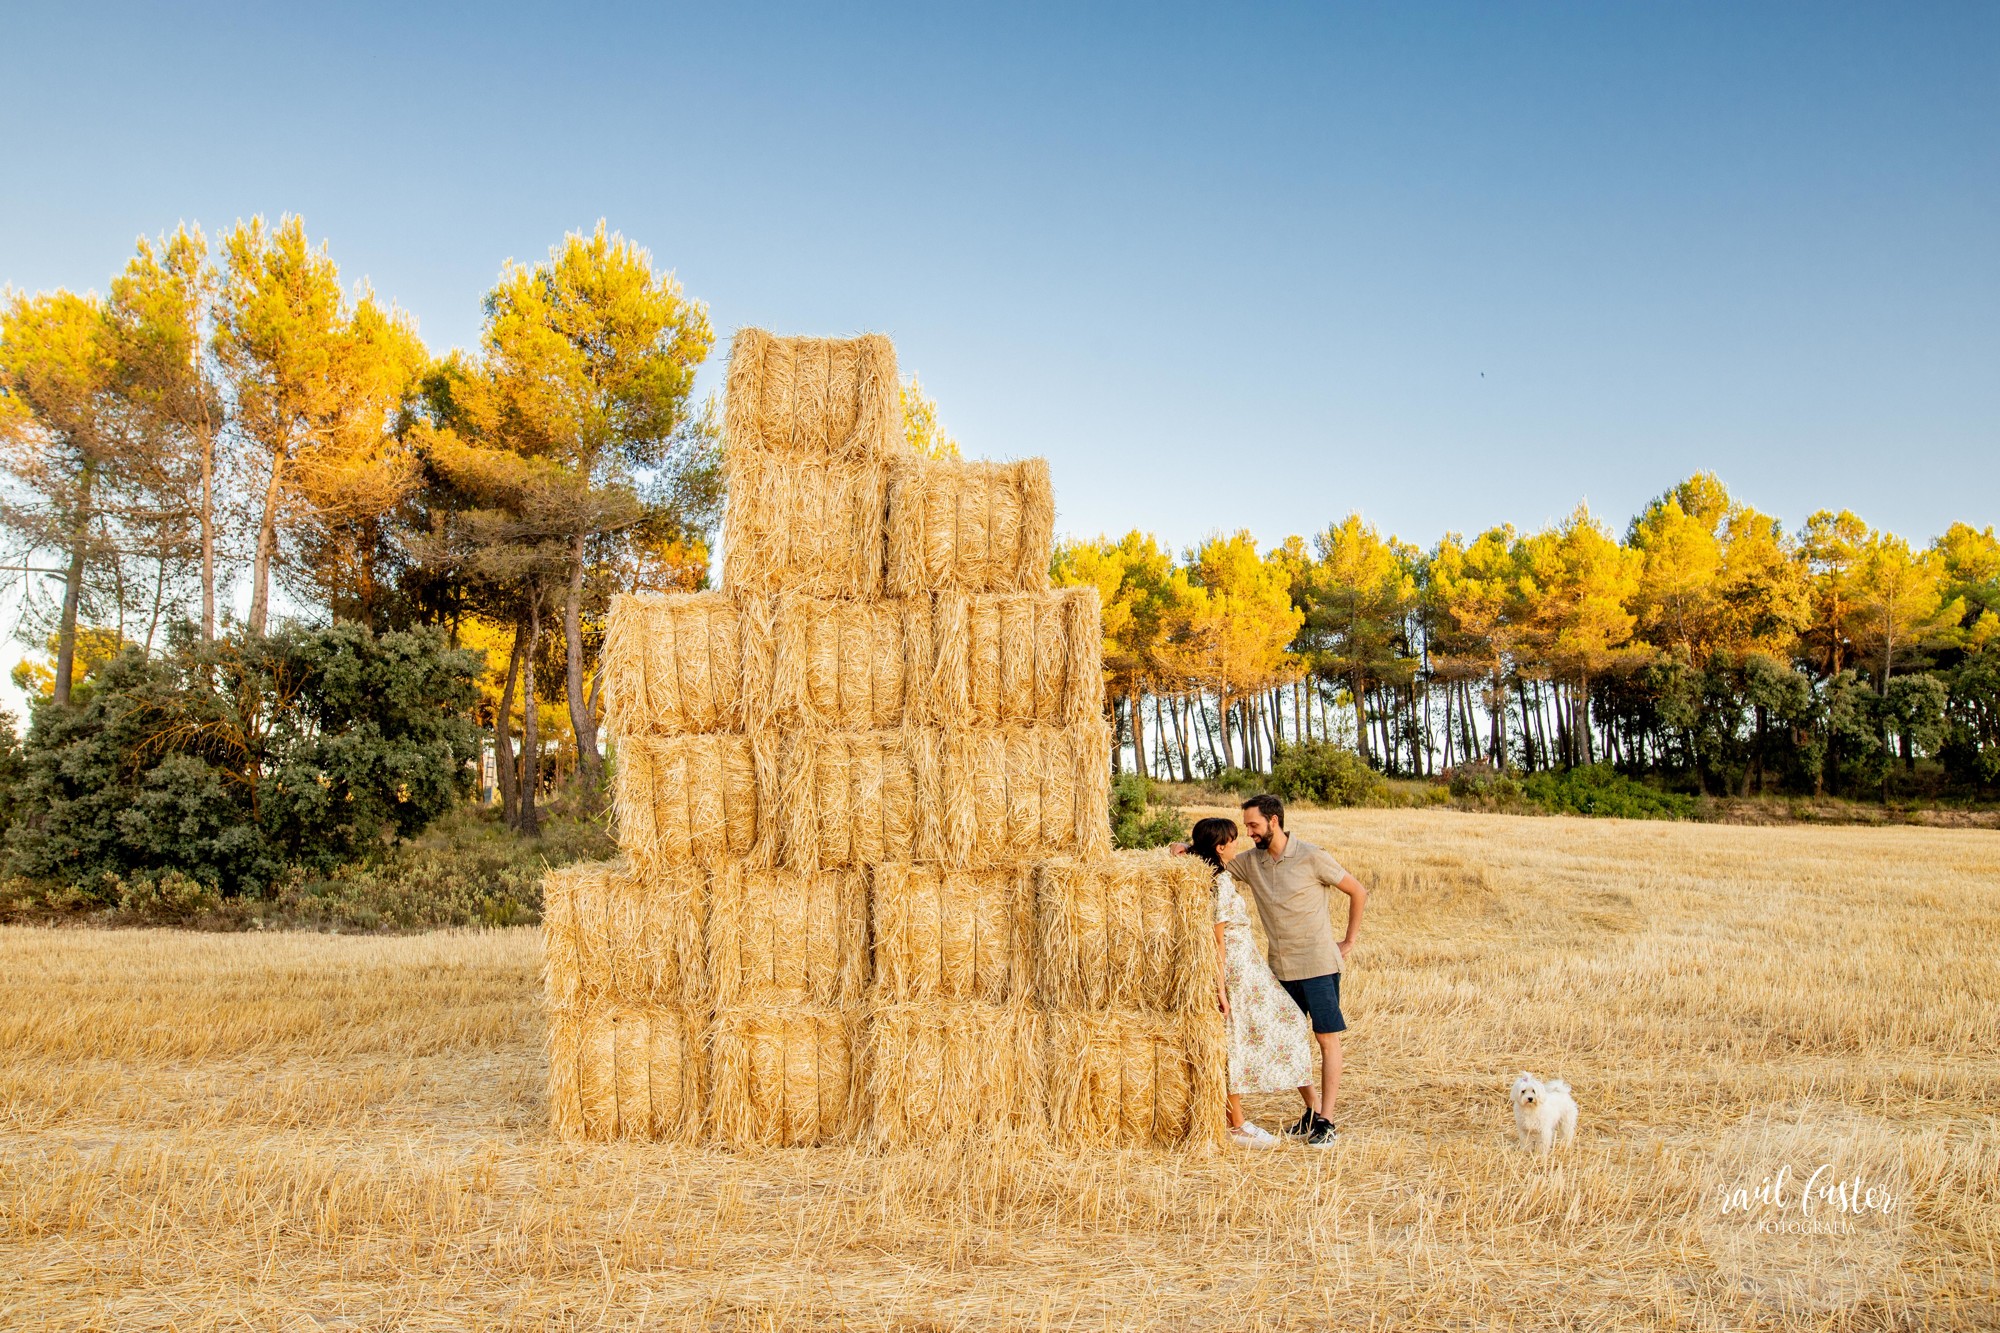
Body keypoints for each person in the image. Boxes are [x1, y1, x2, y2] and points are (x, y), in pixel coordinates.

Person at [1177, 793, 1368, 1146]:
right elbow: (1211, 859)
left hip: (1319, 965)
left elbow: (1358, 890)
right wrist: (1183, 848)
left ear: (1273, 821)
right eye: (1246, 827)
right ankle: (1311, 1111)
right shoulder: (1251, 861)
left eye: (1253, 825)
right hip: (1279, 966)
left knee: (1326, 1040)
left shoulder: (1313, 856)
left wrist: (1348, 941)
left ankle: (1326, 1120)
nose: (1249, 832)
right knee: (1288, 1033)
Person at [1188, 816, 1316, 1149]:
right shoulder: (1217, 884)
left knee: (1284, 1023)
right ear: (1219, 847)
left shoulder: (1215, 876)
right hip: (1235, 971)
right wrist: (1219, 989)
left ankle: (1311, 1110)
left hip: (1247, 965)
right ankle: (1237, 1124)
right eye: (1232, 840)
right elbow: (1216, 940)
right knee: (1238, 1041)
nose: (1238, 843)